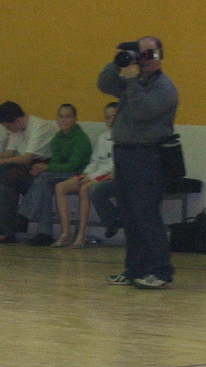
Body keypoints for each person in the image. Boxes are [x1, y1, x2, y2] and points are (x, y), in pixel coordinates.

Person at [98, 36, 179, 289]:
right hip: (125, 155)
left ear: (160, 56)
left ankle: (161, 271)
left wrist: (132, 80)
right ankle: (134, 270)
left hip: (148, 157)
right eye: (141, 54)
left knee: (147, 216)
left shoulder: (164, 88)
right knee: (130, 217)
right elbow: (104, 84)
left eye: (150, 54)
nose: (145, 59)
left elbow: (143, 110)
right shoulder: (134, 82)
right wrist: (118, 61)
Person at [0, 101, 56, 243]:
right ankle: (8, 227)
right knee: (5, 179)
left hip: (42, 170)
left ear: (16, 120)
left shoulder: (40, 127)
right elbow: (10, 152)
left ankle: (7, 229)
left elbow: (27, 158)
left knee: (7, 179)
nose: (7, 129)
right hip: (26, 169)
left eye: (8, 126)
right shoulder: (16, 129)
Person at [18, 103, 92, 246]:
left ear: (75, 119)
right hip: (62, 174)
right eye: (61, 116)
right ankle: (44, 233)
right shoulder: (57, 137)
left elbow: (73, 166)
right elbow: (56, 162)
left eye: (68, 117)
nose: (64, 120)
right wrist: (42, 168)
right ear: (57, 119)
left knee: (44, 177)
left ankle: (24, 215)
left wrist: (48, 168)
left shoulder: (81, 138)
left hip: (79, 175)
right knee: (44, 183)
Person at [52, 102, 117, 247]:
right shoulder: (103, 136)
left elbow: (113, 167)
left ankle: (81, 235)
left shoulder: (125, 138)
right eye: (108, 117)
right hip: (95, 173)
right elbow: (95, 160)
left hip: (109, 175)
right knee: (60, 187)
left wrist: (92, 178)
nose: (111, 120)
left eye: (114, 117)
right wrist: (86, 174)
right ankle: (65, 234)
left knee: (84, 188)